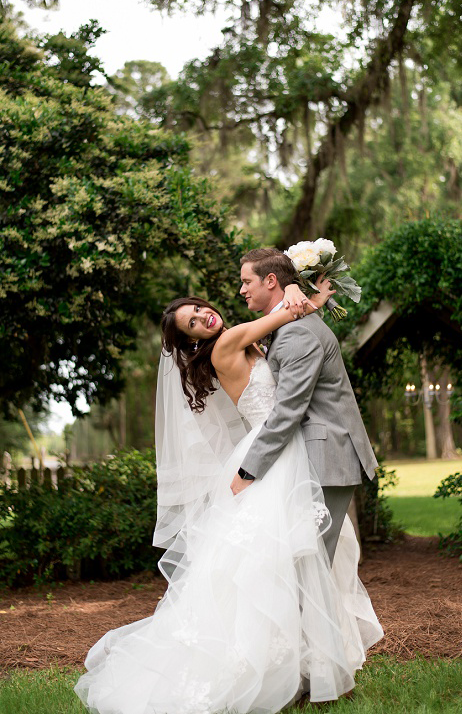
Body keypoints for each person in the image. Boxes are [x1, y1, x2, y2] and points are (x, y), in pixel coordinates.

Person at [75, 275, 382, 714]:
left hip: (282, 450)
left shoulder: (238, 339)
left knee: (288, 565)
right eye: (193, 324)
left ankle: (306, 667)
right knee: (284, 566)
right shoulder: (229, 341)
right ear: (194, 341)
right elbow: (286, 313)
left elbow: (284, 324)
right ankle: (297, 670)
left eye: (198, 311)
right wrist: (300, 293)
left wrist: (306, 296)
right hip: (272, 454)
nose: (203, 318)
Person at [234, 248, 378, 563]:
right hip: (311, 457)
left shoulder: (295, 334)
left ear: (270, 281)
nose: (242, 290)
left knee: (307, 569)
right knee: (298, 566)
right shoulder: (291, 323)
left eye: (247, 282)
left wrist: (248, 471)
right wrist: (293, 287)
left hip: (325, 457)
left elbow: (288, 411)